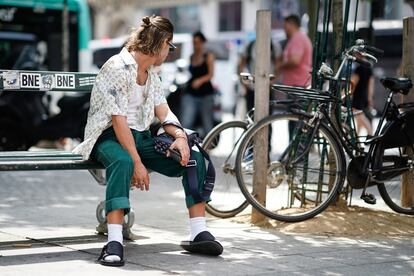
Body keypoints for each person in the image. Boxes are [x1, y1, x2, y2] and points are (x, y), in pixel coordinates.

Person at [73, 15, 223, 267]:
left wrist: (180, 137)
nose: (170, 51)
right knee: (122, 162)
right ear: (161, 42)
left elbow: (163, 112)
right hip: (108, 136)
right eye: (170, 45)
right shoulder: (117, 67)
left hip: (140, 137)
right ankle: (114, 241)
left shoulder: (151, 74)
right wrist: (137, 162)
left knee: (195, 157)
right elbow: (118, 121)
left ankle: (198, 232)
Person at [180, 31, 215, 137]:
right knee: (186, 121)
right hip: (191, 93)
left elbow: (211, 74)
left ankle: (208, 149)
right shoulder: (192, 56)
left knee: (207, 123)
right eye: (194, 42)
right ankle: (185, 145)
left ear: (203, 43)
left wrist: (200, 81)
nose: (196, 45)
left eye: (198, 42)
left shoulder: (208, 56)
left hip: (206, 94)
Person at [238, 39, 281, 112]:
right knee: (251, 116)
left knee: (268, 117)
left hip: (268, 87)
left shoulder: (274, 45)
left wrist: (272, 82)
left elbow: (278, 65)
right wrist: (244, 84)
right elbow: (241, 65)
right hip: (251, 88)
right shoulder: (250, 45)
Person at [278, 14, 312, 88]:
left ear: (292, 24)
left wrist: (279, 65)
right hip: (298, 83)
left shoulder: (297, 39)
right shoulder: (297, 38)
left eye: (285, 26)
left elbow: (295, 61)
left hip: (298, 84)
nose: (284, 30)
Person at [350, 64, 374, 136]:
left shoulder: (359, 68)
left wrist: (348, 93)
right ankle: (357, 138)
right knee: (359, 118)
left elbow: (353, 83)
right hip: (364, 95)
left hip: (357, 95)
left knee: (360, 115)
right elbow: (371, 84)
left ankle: (371, 133)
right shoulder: (369, 68)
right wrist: (370, 98)